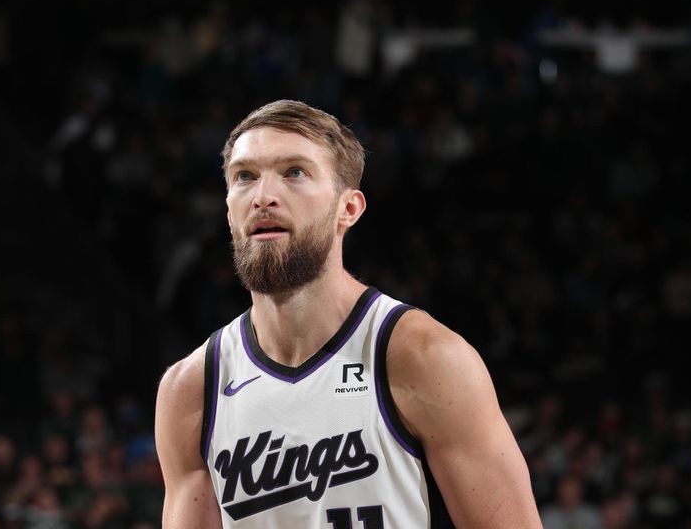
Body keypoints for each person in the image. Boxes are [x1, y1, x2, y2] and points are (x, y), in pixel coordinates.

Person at [155, 100, 542, 527]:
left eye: (294, 172)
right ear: (229, 210)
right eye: (245, 177)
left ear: (349, 209)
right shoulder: (192, 389)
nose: (264, 196)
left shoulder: (424, 356)